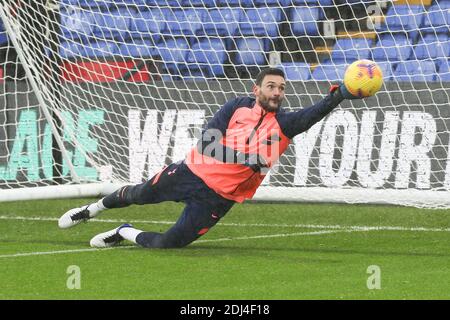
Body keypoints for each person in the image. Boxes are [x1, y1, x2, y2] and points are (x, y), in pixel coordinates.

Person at [58, 68, 361, 249]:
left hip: (219, 198)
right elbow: (208, 144)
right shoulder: (236, 107)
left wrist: (340, 95)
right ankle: (91, 209)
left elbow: (313, 115)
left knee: (170, 244)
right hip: (190, 172)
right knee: (139, 193)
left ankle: (122, 231)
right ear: (257, 89)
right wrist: (245, 158)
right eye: (271, 86)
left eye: (281, 88)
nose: (277, 92)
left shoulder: (285, 123)